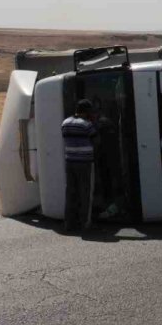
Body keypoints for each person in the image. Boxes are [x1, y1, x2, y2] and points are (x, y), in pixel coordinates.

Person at [61, 99, 98, 233]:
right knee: (85, 192)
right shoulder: (86, 124)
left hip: (70, 161)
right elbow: (96, 140)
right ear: (87, 112)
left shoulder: (65, 123)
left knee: (71, 192)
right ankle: (85, 223)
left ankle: (69, 223)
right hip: (84, 162)